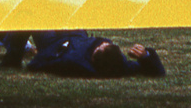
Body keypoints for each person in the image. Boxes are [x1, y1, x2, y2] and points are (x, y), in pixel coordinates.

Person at [22, 30, 165, 78]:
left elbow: (44, 63)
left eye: (102, 46)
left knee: (33, 15)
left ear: (94, 55)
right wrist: (145, 56)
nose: (102, 42)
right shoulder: (120, 64)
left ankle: (13, 54)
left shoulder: (73, 62)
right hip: (76, 35)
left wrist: (35, 62)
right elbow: (157, 72)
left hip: (53, 43)